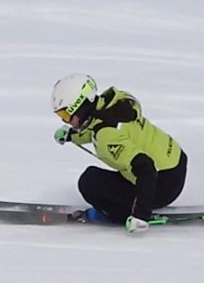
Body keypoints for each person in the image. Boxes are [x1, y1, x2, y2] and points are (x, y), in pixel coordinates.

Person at [50, 74, 187, 233]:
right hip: (175, 161)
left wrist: (141, 215)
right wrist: (72, 135)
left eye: (66, 115)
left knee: (89, 182)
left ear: (80, 106)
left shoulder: (107, 137)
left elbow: (146, 168)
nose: (65, 121)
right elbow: (97, 126)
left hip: (161, 185)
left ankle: (116, 215)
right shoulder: (114, 103)